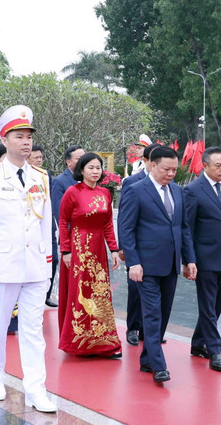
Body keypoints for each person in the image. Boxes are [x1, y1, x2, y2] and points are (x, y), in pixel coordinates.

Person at [0, 105, 57, 412]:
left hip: (34, 266)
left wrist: (48, 266)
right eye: (18, 137)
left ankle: (36, 389)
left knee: (33, 329)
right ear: (5, 140)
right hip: (2, 266)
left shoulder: (42, 177)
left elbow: (47, 224)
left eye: (28, 137)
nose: (26, 143)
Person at [117, 146, 196, 384]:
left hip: (170, 264)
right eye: (166, 169)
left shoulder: (177, 192)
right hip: (146, 265)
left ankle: (147, 360)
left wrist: (189, 259)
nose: (171, 174)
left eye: (174, 169)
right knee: (151, 314)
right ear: (152, 165)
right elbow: (127, 229)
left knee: (163, 314)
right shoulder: (136, 190)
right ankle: (159, 365)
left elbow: (183, 228)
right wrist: (134, 262)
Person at [57, 152, 122, 357]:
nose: (95, 171)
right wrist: (65, 250)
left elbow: (107, 224)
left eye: (98, 167)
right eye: (91, 168)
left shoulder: (105, 193)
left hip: (98, 250)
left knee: (101, 293)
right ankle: (79, 342)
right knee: (81, 292)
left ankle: (104, 342)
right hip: (78, 248)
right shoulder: (72, 192)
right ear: (81, 170)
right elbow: (63, 222)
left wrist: (113, 249)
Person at [184, 146, 221, 372]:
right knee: (207, 305)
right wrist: (189, 260)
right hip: (204, 257)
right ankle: (214, 350)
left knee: (217, 304)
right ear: (205, 166)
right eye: (218, 165)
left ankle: (198, 343)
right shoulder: (193, 190)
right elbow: (186, 228)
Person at [119, 143, 159, 346]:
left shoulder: (167, 184)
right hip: (136, 247)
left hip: (158, 251)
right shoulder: (133, 182)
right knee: (135, 289)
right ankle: (133, 327)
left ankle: (150, 331)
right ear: (146, 161)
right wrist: (123, 247)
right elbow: (125, 220)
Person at [48, 145, 84, 307]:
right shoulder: (61, 182)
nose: (83, 161)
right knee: (72, 276)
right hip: (71, 237)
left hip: (90, 238)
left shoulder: (89, 179)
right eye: (78, 158)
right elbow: (60, 213)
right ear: (68, 162)